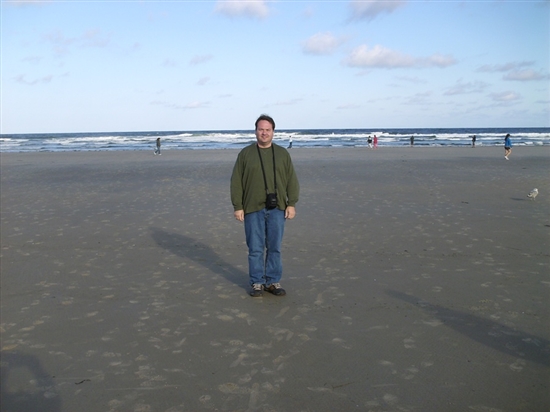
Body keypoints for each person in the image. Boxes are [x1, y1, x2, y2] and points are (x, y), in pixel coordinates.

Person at [230, 114, 300, 297]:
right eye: (261, 129)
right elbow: (236, 181)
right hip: (252, 208)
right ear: (255, 131)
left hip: (277, 209)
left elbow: (292, 180)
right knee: (255, 248)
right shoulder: (245, 154)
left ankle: (273, 281)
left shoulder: (283, 154)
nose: (264, 133)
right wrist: (238, 206)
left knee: (274, 246)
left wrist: (291, 204)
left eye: (268, 130)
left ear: (273, 132)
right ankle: (257, 282)